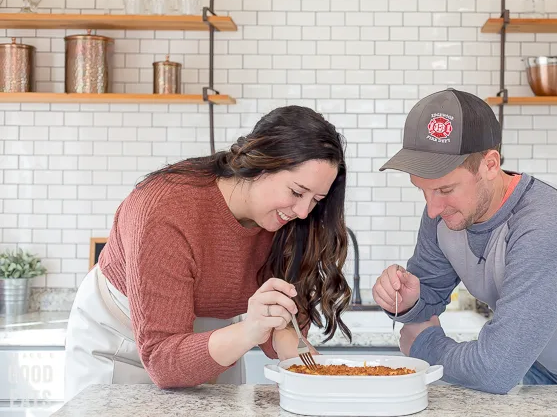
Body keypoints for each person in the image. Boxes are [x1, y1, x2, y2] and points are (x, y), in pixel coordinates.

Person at [373, 88, 557, 417]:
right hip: (541, 371)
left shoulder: (545, 226)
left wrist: (423, 343)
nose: (432, 209)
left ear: (490, 164)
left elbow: (495, 370)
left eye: (445, 189)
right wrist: (409, 303)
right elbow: (428, 298)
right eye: (424, 190)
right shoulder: (445, 214)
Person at [64, 105, 352, 401]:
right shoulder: (165, 211)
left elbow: (281, 327)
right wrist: (250, 330)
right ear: (261, 164)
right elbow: (164, 362)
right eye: (296, 192)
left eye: (316, 200)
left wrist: (301, 359)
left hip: (215, 339)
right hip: (122, 340)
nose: (304, 212)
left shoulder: (291, 221)